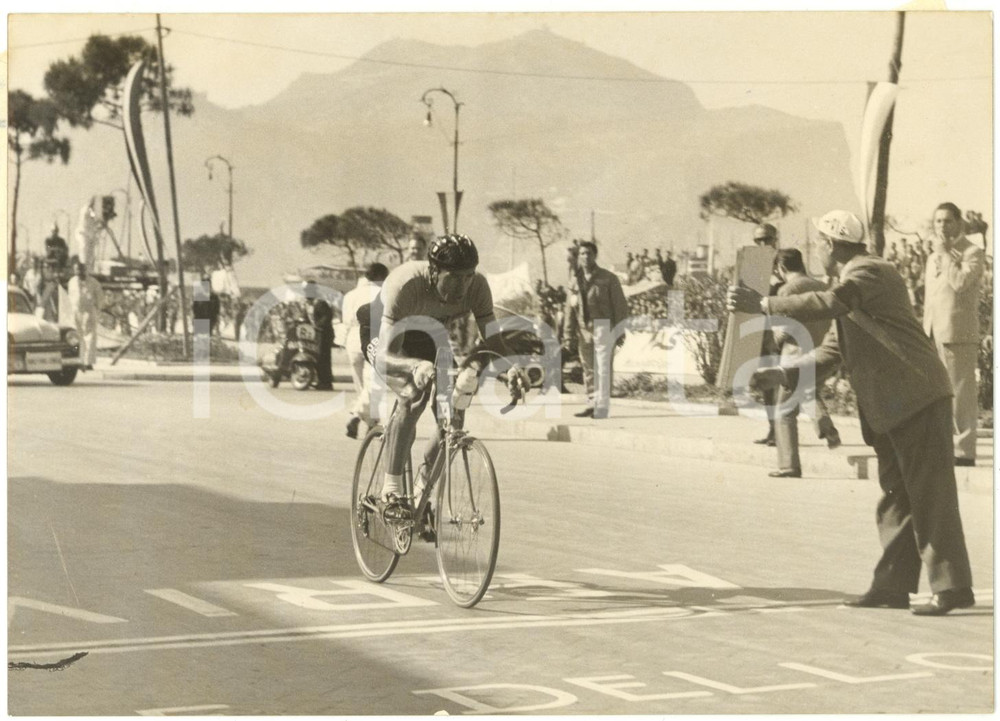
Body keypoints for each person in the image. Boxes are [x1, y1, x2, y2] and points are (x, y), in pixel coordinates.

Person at [728, 209, 974, 616]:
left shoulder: (870, 272)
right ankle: (893, 586)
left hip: (917, 397)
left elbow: (830, 302)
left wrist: (764, 303)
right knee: (896, 499)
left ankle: (953, 587)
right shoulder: (853, 284)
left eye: (821, 244)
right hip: (895, 406)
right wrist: (785, 373)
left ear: (829, 245)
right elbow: (835, 351)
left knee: (930, 496)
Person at [362, 234, 527, 518]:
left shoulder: (477, 286)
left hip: (430, 334)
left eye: (468, 276)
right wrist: (414, 368)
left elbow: (492, 339)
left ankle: (420, 494)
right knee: (412, 395)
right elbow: (387, 355)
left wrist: (511, 366)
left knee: (452, 413)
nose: (463, 286)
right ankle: (390, 490)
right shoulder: (406, 284)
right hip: (384, 333)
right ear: (433, 271)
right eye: (454, 277)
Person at [766, 249, 841, 478]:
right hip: (821, 350)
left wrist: (774, 344)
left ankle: (789, 463)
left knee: (784, 409)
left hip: (795, 351)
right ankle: (825, 426)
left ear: (781, 268)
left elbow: (783, 327)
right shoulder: (820, 286)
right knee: (808, 392)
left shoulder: (786, 290)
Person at [922, 202, 984, 467]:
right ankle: (945, 446)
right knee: (938, 392)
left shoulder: (973, 252)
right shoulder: (933, 255)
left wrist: (946, 255)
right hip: (934, 330)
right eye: (937, 222)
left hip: (958, 332)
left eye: (947, 221)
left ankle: (964, 450)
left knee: (960, 393)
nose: (942, 227)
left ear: (959, 223)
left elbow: (959, 283)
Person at [569, 241, 628, 418]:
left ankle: (602, 407)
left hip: (603, 325)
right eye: (582, 254)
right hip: (583, 328)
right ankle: (591, 404)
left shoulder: (608, 278)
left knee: (603, 368)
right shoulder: (575, 280)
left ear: (595, 256)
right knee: (588, 369)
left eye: (589, 253)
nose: (585, 257)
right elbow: (569, 307)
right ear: (578, 257)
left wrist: (619, 331)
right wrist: (567, 332)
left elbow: (620, 306)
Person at [343, 262, 389, 438]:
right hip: (372, 337)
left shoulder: (350, 295)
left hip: (352, 339)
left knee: (361, 386)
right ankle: (358, 415)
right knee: (374, 383)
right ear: (381, 277)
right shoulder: (382, 293)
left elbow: (346, 320)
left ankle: (371, 423)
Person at [752, 222, 781, 446]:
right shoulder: (752, 266)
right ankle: (773, 429)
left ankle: (780, 431)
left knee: (779, 384)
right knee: (766, 386)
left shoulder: (782, 263)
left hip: (779, 334)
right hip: (760, 333)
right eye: (758, 240)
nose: (762, 244)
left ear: (774, 240)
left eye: (766, 239)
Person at [67, 260, 104, 370]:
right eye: (76, 270)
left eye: (80, 270)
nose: (78, 273)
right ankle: (79, 360)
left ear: (84, 270)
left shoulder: (94, 282)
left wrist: (97, 309)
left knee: (89, 337)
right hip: (75, 311)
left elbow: (100, 298)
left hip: (88, 312)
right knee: (77, 336)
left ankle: (88, 362)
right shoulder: (72, 281)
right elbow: (70, 296)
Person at [304, 280, 335, 391]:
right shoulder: (309, 304)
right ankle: (320, 380)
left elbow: (327, 317)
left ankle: (326, 382)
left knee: (323, 358)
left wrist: (318, 325)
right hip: (315, 334)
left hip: (324, 335)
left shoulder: (320, 303)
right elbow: (306, 318)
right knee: (316, 357)